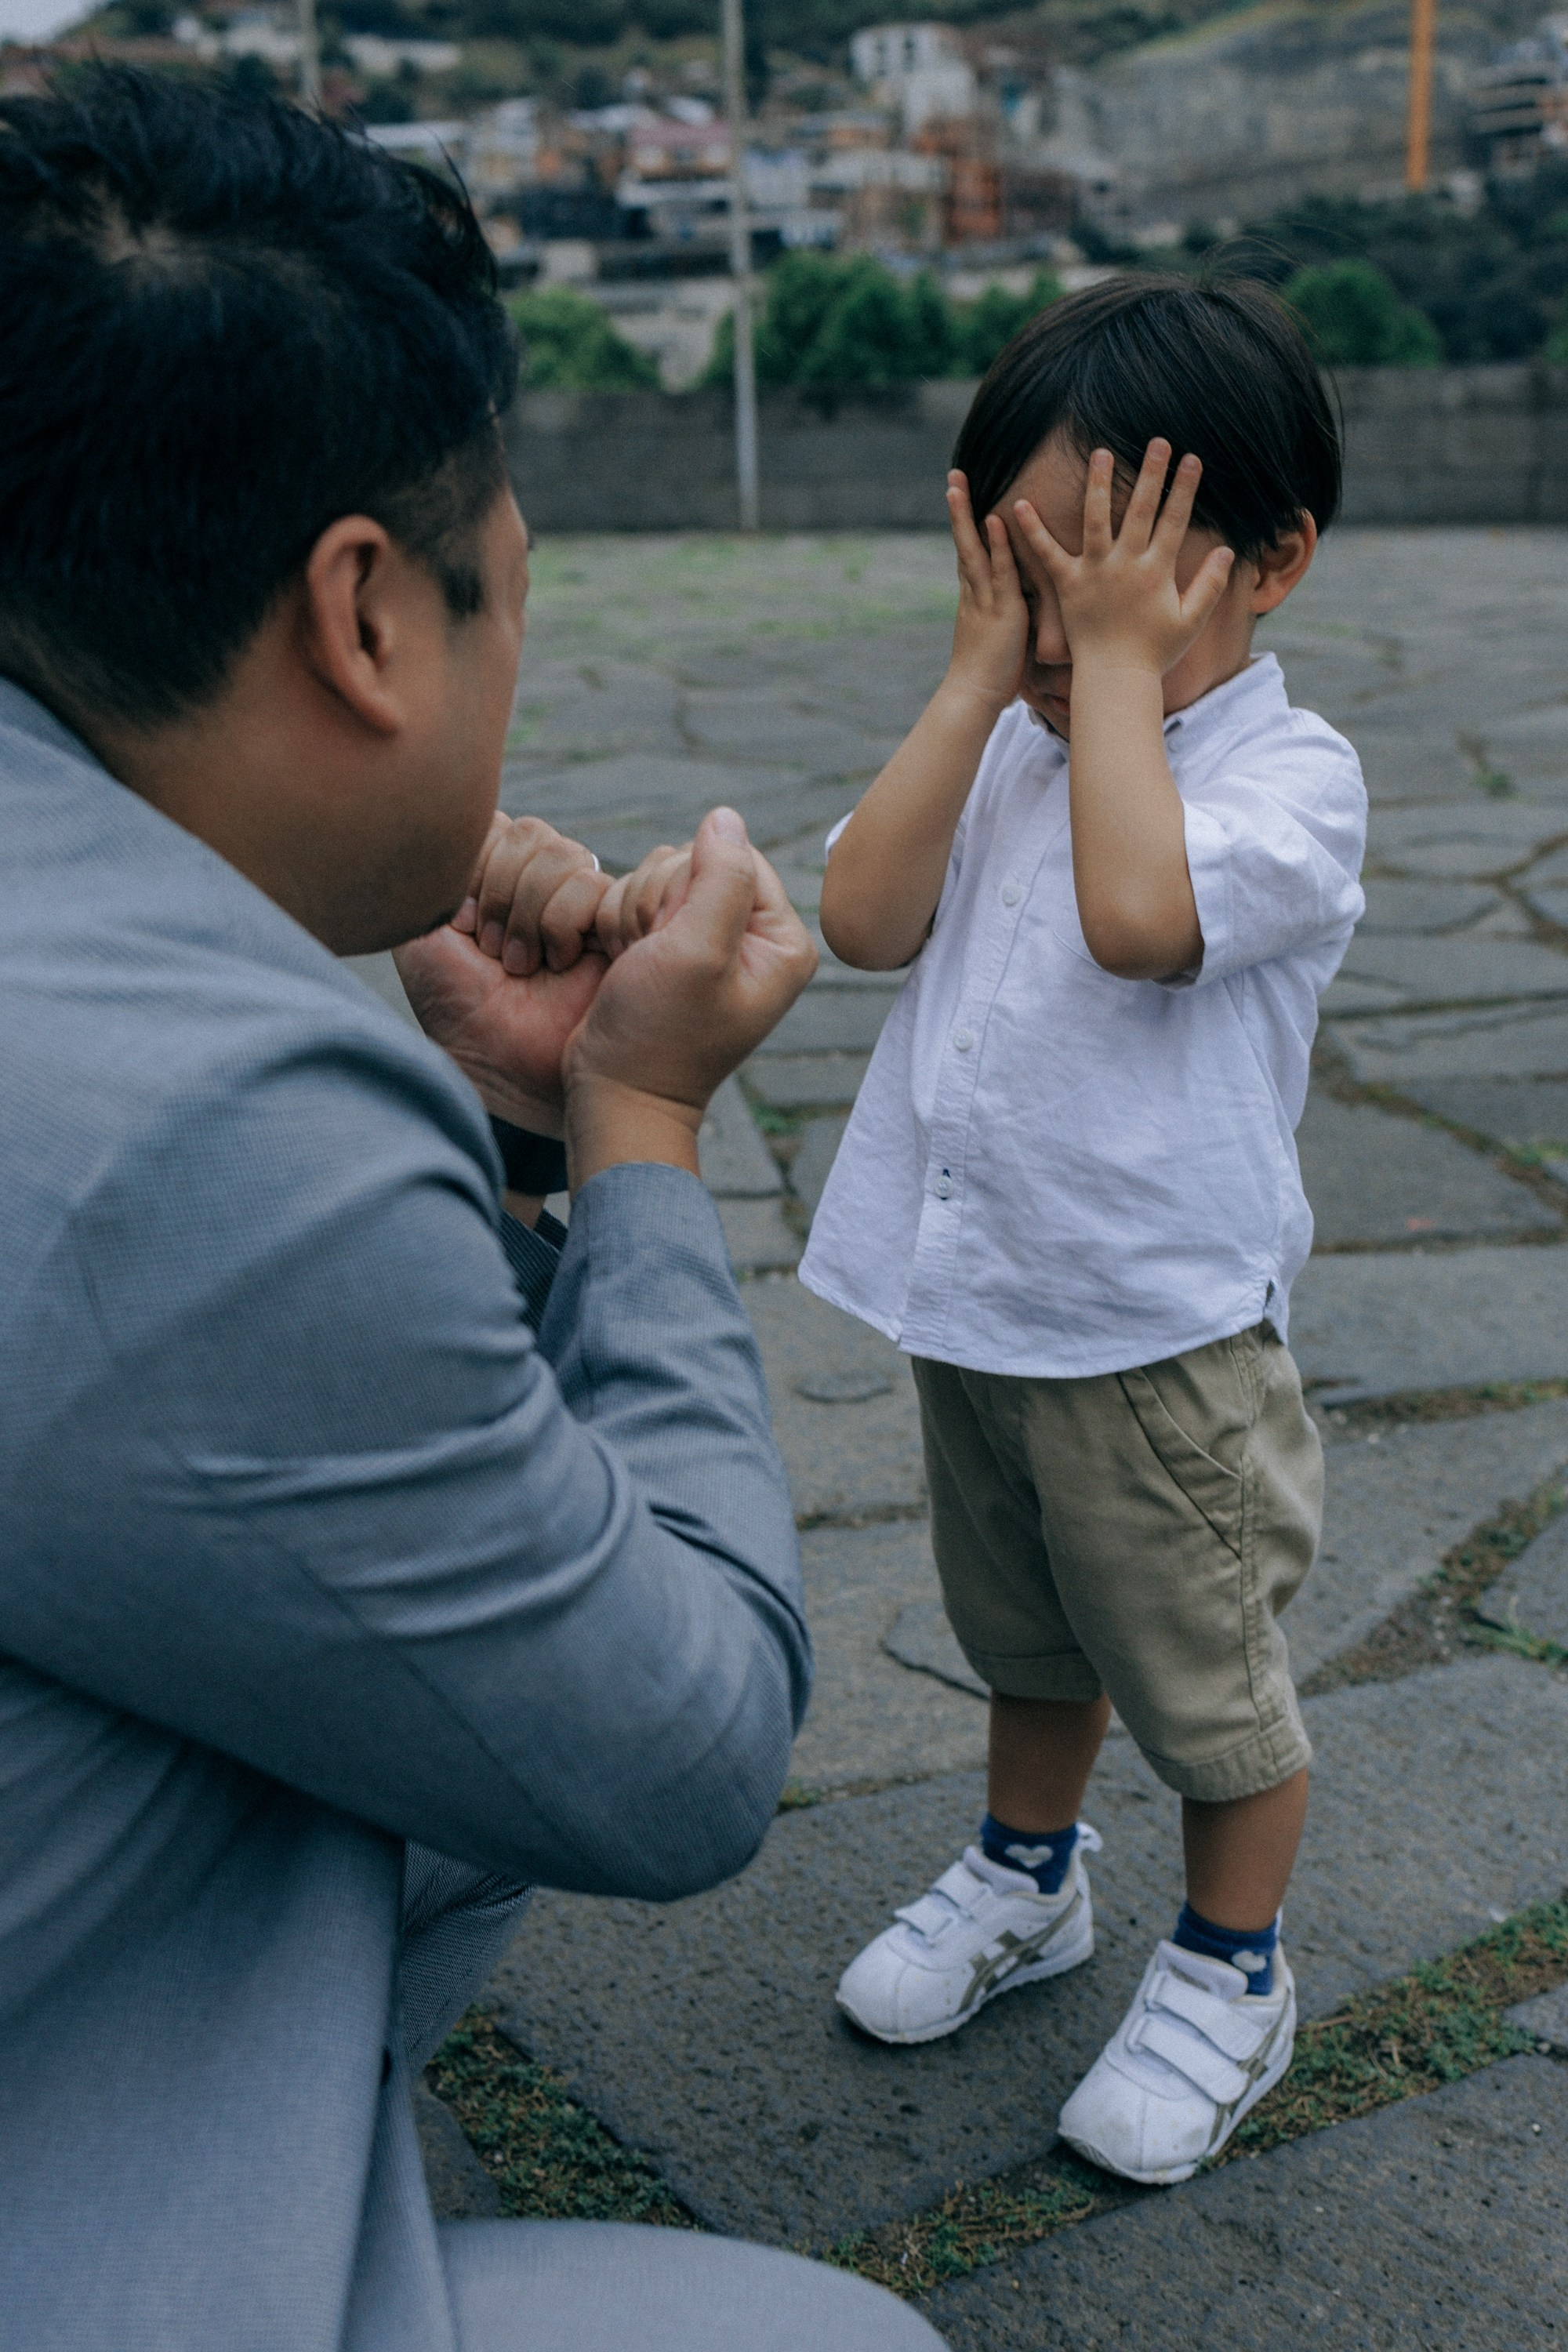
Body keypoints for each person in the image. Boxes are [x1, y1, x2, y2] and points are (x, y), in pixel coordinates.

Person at [0, 67, 946, 2352]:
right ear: (366, 615)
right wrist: (631, 1130)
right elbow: (683, 1732)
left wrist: (498, 1131)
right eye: (507, 589)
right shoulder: (218, 1133)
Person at [797, 278, 1367, 2186]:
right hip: (980, 1307)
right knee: (1025, 1636)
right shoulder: (1018, 737)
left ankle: (1232, 1967)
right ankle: (1028, 1878)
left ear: (1272, 557)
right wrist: (983, 685)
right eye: (1028, 577)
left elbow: (1139, 917)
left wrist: (1105, 679)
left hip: (1159, 1349)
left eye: (1116, 575)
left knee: (1207, 1686)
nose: (1063, 633)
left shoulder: (1292, 782)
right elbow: (862, 921)